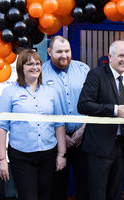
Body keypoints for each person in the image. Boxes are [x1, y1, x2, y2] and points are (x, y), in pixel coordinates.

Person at [77, 40, 124, 200]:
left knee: (115, 193)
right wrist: (113, 110)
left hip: (121, 146)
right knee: (97, 194)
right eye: (121, 55)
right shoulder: (96, 75)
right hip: (98, 147)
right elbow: (83, 105)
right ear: (110, 57)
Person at [0, 49, 66, 200]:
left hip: (48, 154)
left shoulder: (51, 92)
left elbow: (59, 124)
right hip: (21, 157)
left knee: (46, 196)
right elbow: (1, 127)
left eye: (38, 63)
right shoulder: (9, 92)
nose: (35, 67)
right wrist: (1, 160)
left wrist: (61, 154)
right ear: (21, 68)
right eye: (29, 64)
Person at [42, 35, 89, 200]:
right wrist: (61, 136)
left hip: (83, 137)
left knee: (85, 183)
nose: (64, 55)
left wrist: (84, 129)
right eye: (59, 51)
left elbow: (94, 101)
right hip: (54, 140)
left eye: (67, 51)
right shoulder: (40, 72)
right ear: (49, 52)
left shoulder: (83, 69)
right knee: (57, 186)